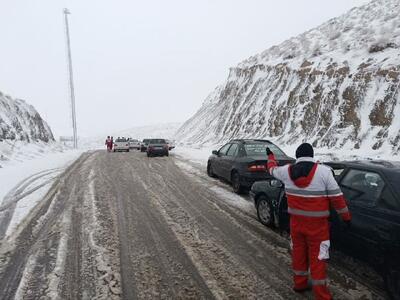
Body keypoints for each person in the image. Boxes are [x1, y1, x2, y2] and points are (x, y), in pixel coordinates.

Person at [266, 143, 351, 300]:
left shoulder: (286, 171)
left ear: (297, 156)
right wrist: (346, 218)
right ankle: (321, 295)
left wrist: (270, 157)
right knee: (318, 259)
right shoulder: (324, 172)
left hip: (296, 224)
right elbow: (337, 198)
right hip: (318, 227)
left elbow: (271, 169)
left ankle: (300, 283)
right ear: (311, 155)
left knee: (298, 254)